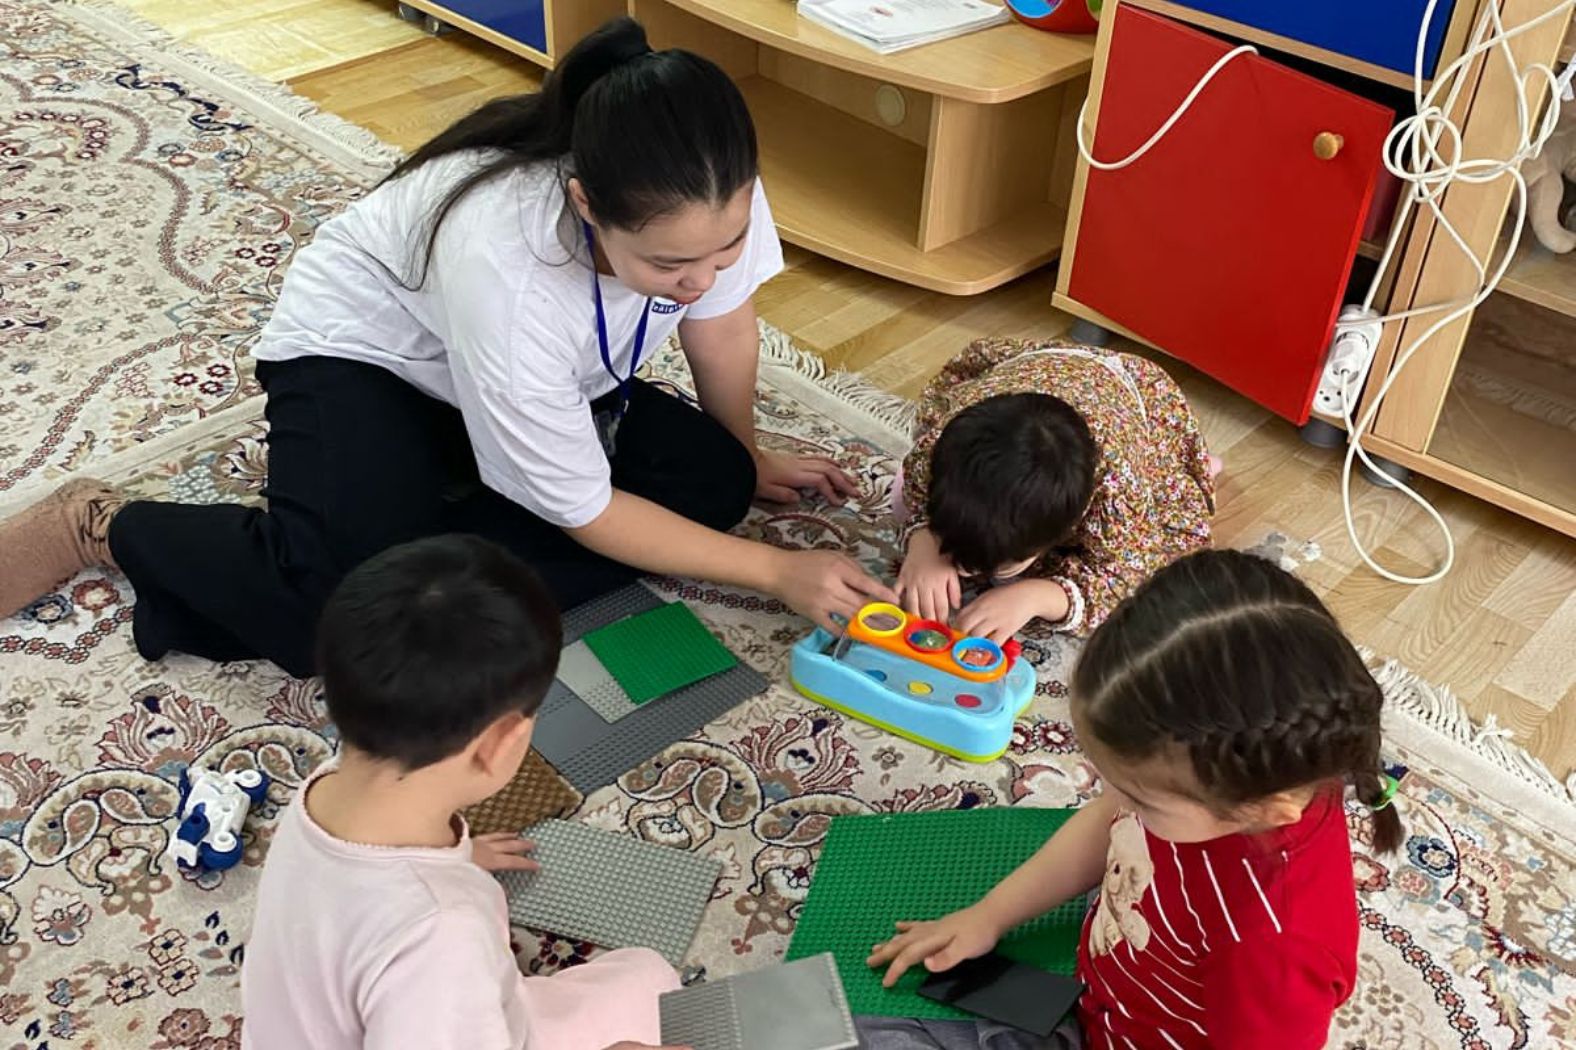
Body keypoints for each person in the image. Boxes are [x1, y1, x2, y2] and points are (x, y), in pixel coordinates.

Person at [0, 17, 891, 677]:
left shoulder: (712, 188)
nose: (699, 278)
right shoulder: (508, 265)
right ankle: (100, 524)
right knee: (339, 618)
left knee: (714, 485)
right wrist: (777, 571)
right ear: (585, 205)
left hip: (506, 375)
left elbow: (722, 323)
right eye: (667, 265)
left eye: (724, 249)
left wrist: (745, 450)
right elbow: (585, 512)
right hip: (367, 357)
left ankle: (430, 512)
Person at [862, 549, 1403, 1050]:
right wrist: (990, 915)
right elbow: (1113, 824)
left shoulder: (1270, 948)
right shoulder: (1221, 788)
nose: (1109, 799)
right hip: (1104, 990)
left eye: (1141, 801)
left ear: (1260, 809)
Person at [242, 534, 690, 1050]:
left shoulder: (327, 783)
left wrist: (459, 858)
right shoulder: (442, 934)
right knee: (651, 978)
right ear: (499, 743)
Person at [892, 338, 1217, 642]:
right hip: (1041, 373)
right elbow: (916, 490)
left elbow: (1123, 579)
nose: (966, 571)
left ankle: (1173, 468)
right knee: (898, 495)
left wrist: (1037, 597)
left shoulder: (1117, 491)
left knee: (1163, 564)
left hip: (1132, 403)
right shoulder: (940, 446)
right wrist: (925, 544)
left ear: (1067, 530)